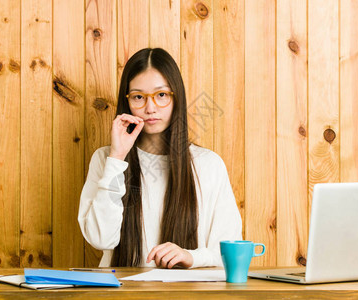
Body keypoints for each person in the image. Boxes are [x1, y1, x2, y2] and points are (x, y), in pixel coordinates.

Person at [78, 48, 242, 268]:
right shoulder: (105, 159)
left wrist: (191, 257)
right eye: (138, 97)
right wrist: (117, 157)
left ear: (176, 97)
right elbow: (100, 238)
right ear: (127, 102)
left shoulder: (208, 165)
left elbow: (228, 252)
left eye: (161, 95)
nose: (150, 108)